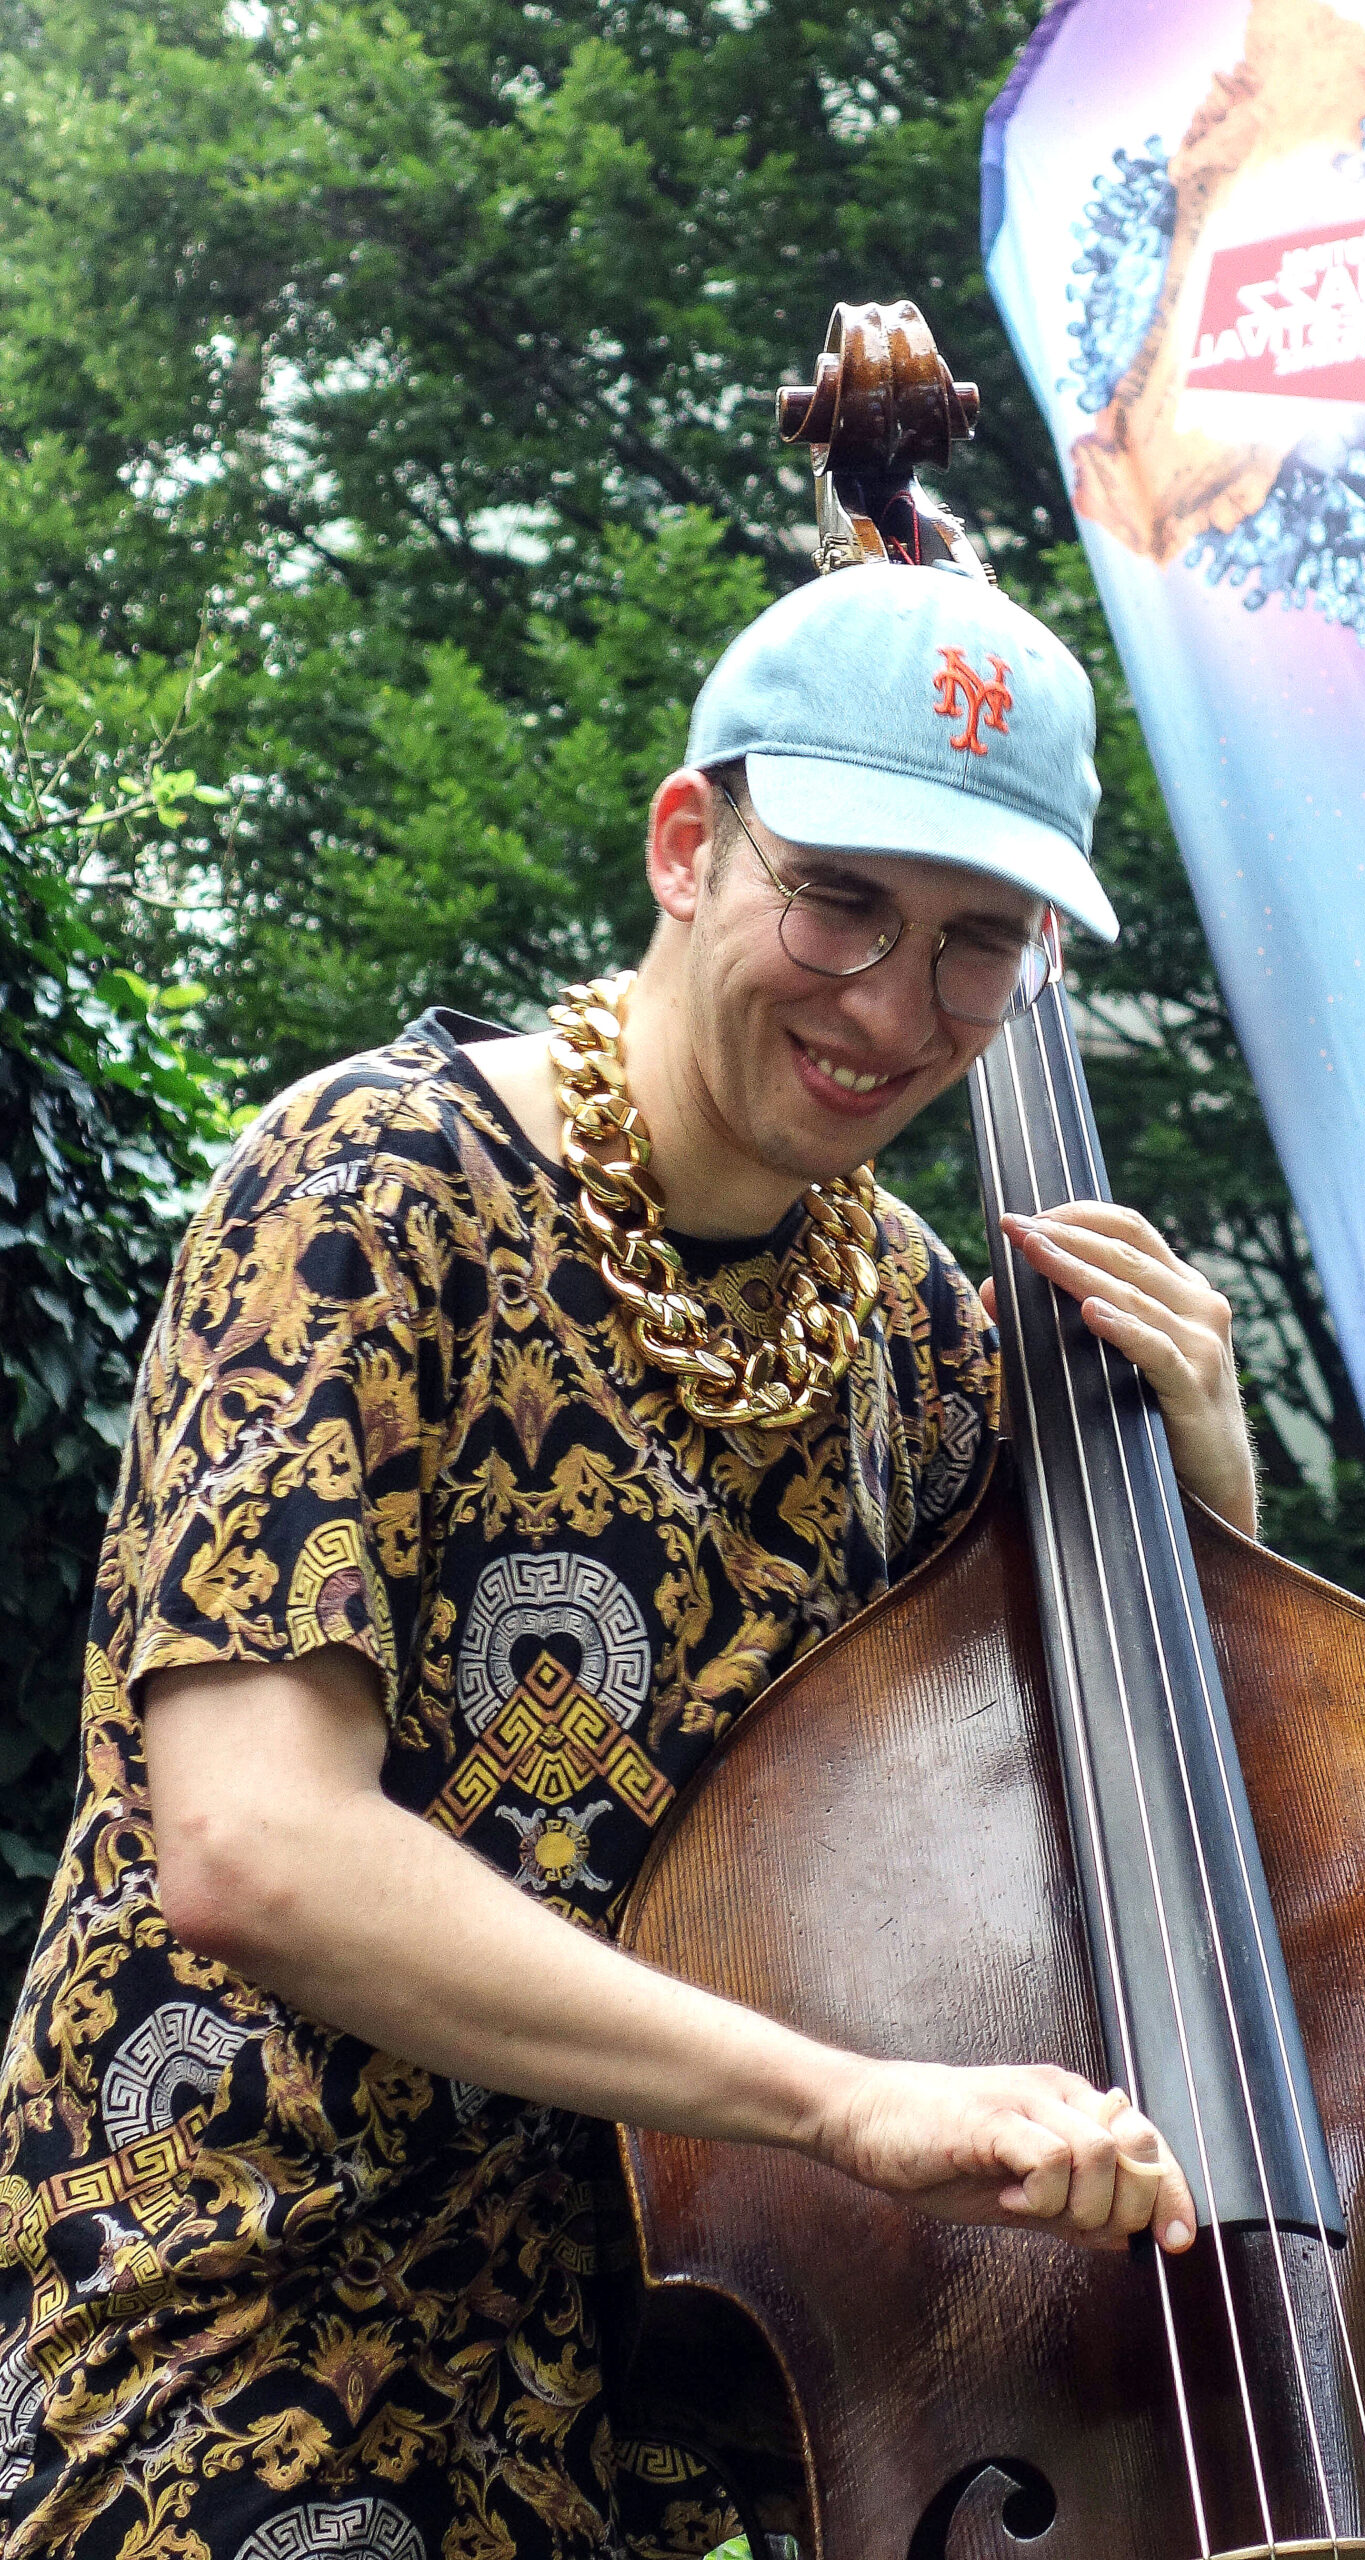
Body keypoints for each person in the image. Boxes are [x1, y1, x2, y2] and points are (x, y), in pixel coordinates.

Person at [0, 563, 1259, 2560]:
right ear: (688, 845)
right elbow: (255, 1849)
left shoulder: (921, 1337)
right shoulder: (367, 1192)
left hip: (656, 2411)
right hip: (240, 2345)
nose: (893, 1008)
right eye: (839, 900)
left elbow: (1088, 1840)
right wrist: (843, 2101)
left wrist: (1210, 1485)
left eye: (977, 945)